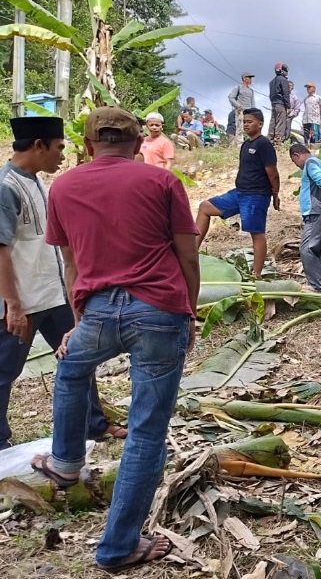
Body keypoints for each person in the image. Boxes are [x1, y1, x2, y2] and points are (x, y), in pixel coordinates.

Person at [34, 107, 198, 572]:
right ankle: (117, 547)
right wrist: (188, 312)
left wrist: (79, 318)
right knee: (146, 433)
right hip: (159, 310)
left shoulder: (62, 187)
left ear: (88, 145)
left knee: (70, 367)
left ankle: (65, 460)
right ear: (135, 144)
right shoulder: (162, 183)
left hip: (99, 309)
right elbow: (187, 254)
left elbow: (70, 264)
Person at [0, 116, 127, 453]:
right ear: (38, 145)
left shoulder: (38, 182)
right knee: (4, 370)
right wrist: (12, 305)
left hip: (53, 294)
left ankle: (93, 424)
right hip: (23, 299)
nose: (62, 154)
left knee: (79, 357)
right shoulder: (7, 187)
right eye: (58, 148)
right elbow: (1, 251)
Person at [196, 108, 280, 278]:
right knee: (205, 207)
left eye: (249, 122)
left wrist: (275, 194)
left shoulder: (264, 144)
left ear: (260, 124)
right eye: (244, 122)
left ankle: (256, 274)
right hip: (239, 193)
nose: (246, 125)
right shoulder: (246, 144)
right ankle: (190, 253)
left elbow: (273, 173)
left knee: (256, 233)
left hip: (256, 195)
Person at [289, 144, 321, 293]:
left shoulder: (310, 163)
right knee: (318, 251)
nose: (296, 165)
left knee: (307, 249)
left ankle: (316, 286)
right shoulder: (318, 162)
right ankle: (318, 284)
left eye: (293, 161)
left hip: (317, 213)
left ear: (296, 155)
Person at [228, 72, 256, 145]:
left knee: (251, 128)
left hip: (249, 112)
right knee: (240, 128)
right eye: (249, 78)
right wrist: (238, 106)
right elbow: (231, 97)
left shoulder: (251, 91)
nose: (250, 80)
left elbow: (253, 102)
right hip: (240, 111)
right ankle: (239, 145)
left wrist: (254, 112)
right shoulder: (238, 87)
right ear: (244, 78)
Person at [268, 63, 290, 145]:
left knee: (273, 122)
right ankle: (278, 140)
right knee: (281, 122)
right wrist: (288, 106)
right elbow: (285, 93)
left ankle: (270, 139)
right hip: (281, 104)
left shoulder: (271, 82)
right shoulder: (283, 80)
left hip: (273, 104)